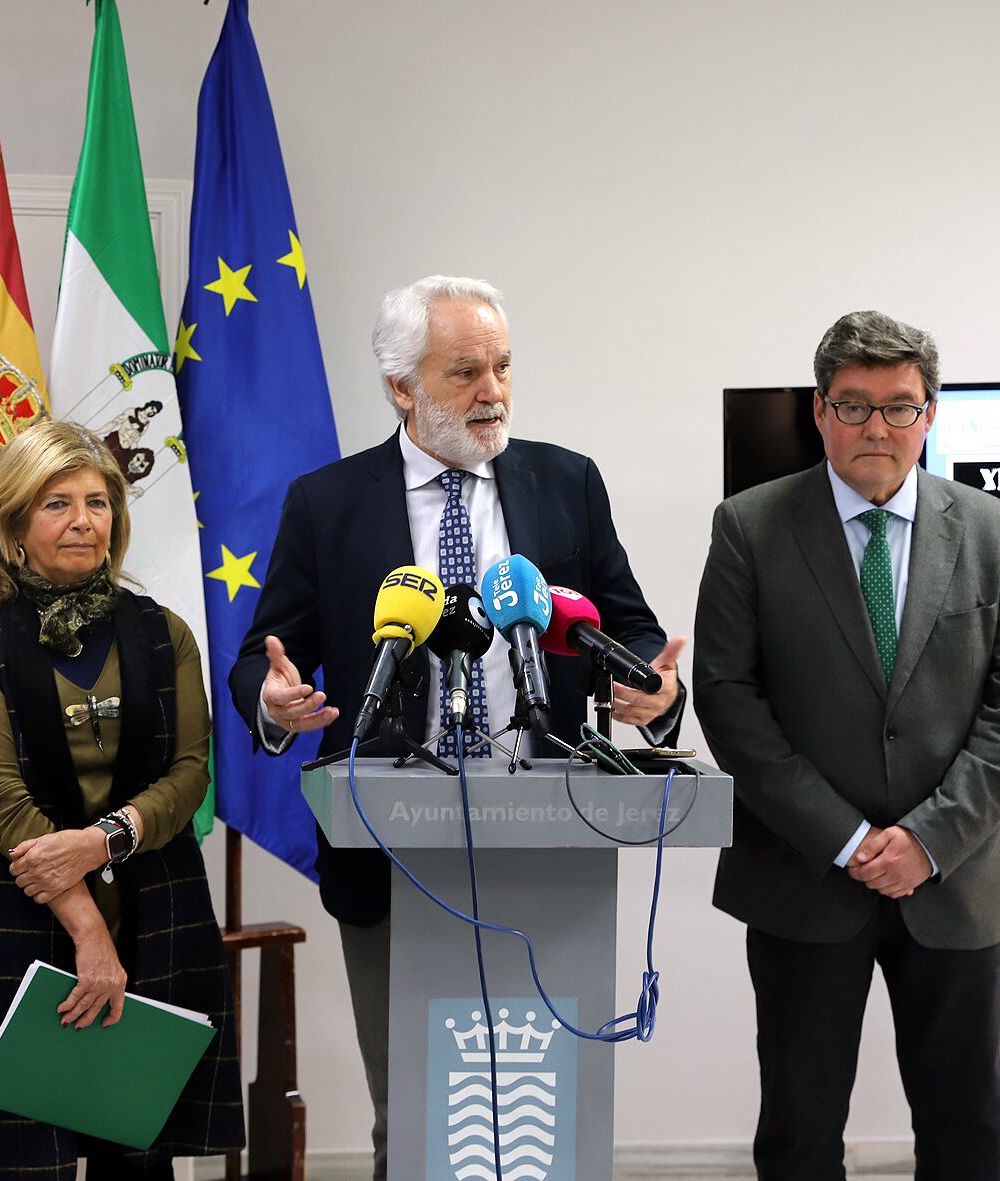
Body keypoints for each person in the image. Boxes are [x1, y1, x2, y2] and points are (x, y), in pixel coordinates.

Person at [228, 275, 684, 1178]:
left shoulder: (566, 482)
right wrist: (272, 702)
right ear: (402, 387)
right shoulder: (327, 503)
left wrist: (655, 695)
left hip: (551, 839)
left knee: (542, 1113)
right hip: (389, 852)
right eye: (466, 371)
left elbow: (630, 631)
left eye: (504, 367)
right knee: (421, 1114)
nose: (495, 392)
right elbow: (262, 657)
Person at [694, 311, 1000, 1178]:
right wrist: (849, 839)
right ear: (819, 411)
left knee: (966, 1126)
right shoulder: (750, 527)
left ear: (930, 415)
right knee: (800, 1128)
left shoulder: (994, 531)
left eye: (900, 406)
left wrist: (927, 839)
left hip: (952, 881)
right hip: (803, 878)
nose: (877, 428)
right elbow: (729, 701)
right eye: (854, 405)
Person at [0, 420, 242, 1179]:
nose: (82, 520)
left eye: (98, 502)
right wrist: (86, 928)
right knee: (14, 1155)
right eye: (56, 503)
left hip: (154, 901)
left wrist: (102, 840)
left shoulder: (163, 632)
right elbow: (0, 798)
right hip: (21, 907)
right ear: (11, 525)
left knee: (133, 1147)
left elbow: (191, 769)